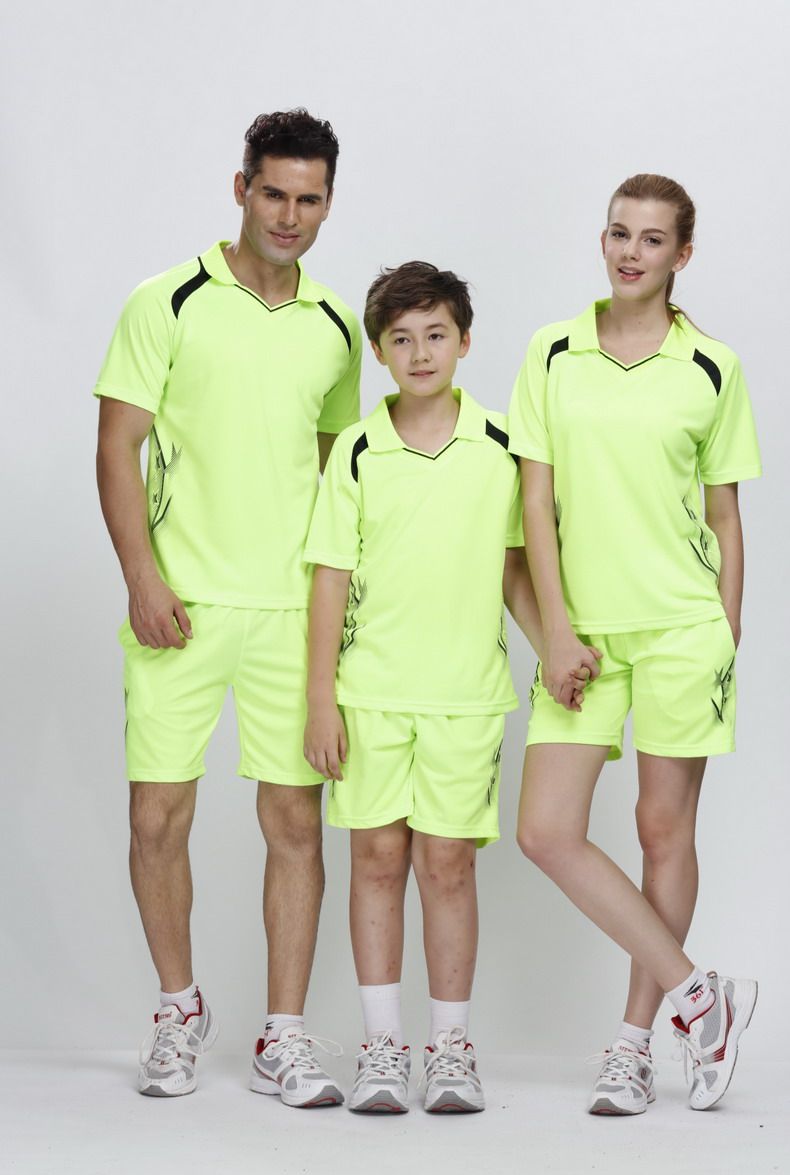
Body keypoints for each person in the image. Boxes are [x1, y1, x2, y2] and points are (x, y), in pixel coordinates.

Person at [94, 109, 361, 1104]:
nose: (289, 215)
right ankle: (178, 1008)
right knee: (156, 815)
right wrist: (142, 576)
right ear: (240, 188)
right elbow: (116, 445)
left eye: (309, 199)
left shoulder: (337, 326)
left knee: (294, 819)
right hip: (181, 605)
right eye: (273, 192)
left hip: (292, 613)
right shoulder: (165, 301)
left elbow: (337, 476)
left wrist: (341, 610)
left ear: (327, 204)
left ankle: (281, 1036)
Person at [303, 261, 586, 1114]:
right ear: (380, 352)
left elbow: (515, 569)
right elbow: (329, 577)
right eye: (401, 339)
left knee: (448, 866)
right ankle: (383, 1047)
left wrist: (554, 648)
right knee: (376, 861)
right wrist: (320, 698)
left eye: (435, 335)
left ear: (465, 341)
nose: (420, 352)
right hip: (369, 697)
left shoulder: (502, 446)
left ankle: (451, 1049)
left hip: (467, 697)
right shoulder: (358, 450)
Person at [509, 173, 761, 1115]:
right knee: (545, 830)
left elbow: (725, 515)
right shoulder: (551, 351)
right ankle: (703, 995)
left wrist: (725, 630)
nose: (630, 252)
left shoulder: (712, 367)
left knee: (663, 830)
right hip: (583, 636)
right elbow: (534, 501)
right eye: (619, 233)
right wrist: (556, 630)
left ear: (681, 254)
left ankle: (634, 1043)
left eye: (652, 240)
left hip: (682, 631)